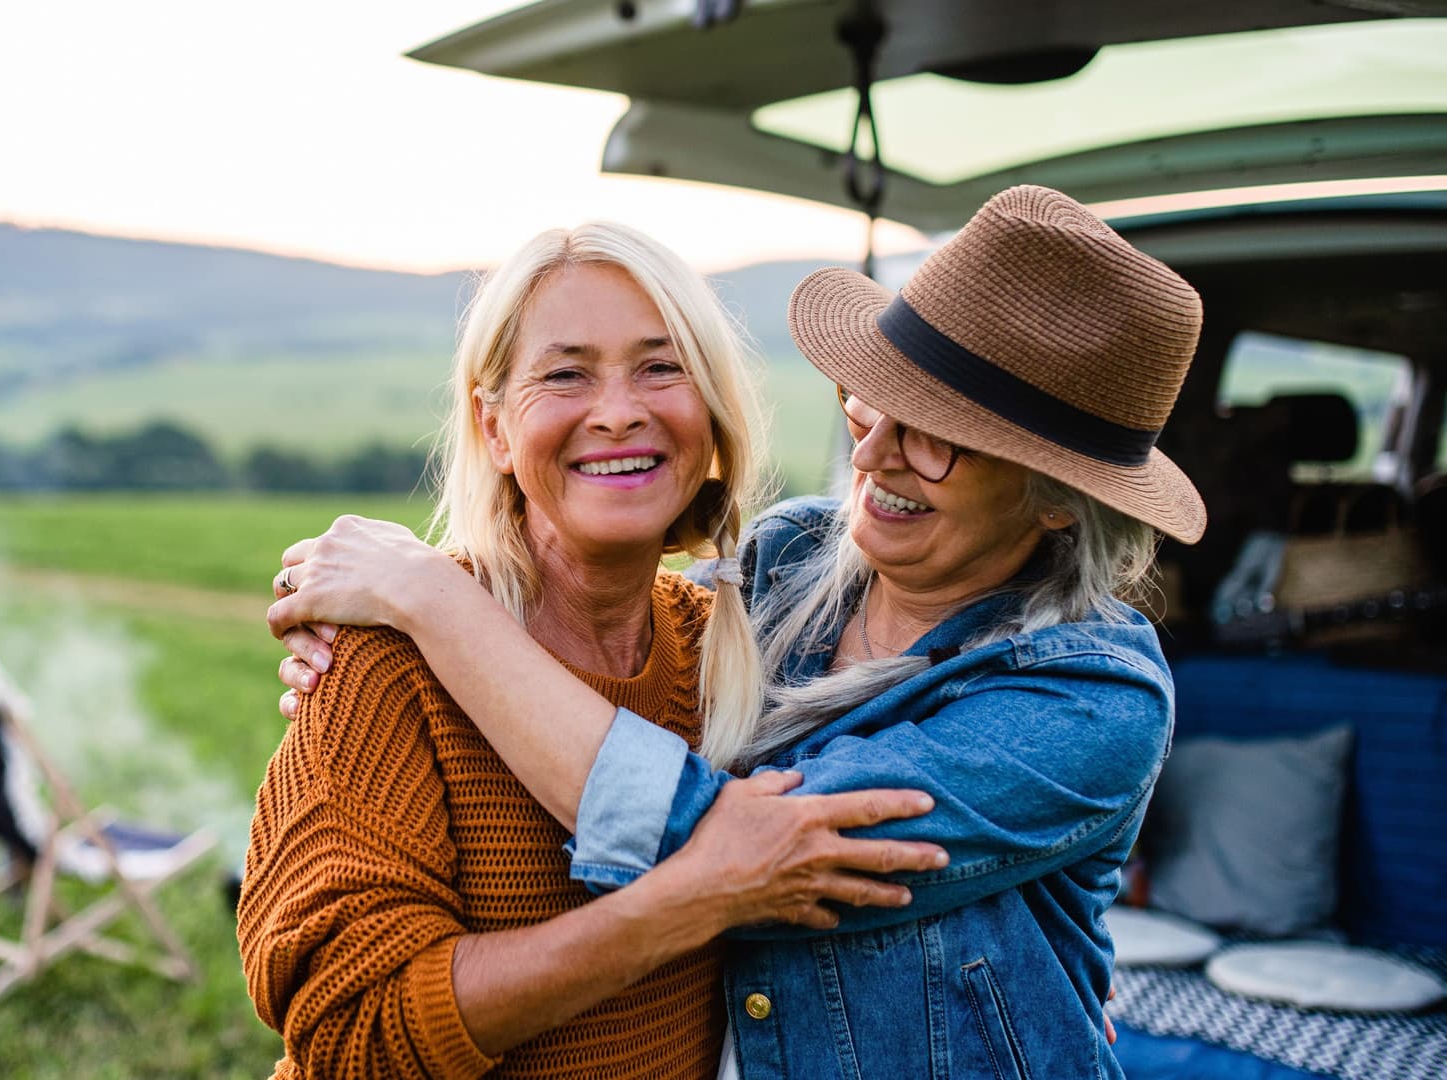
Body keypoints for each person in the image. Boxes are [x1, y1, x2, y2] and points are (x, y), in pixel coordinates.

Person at [268, 185, 1204, 1079]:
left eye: (937, 434)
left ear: (1058, 499)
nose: (872, 454)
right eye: (874, 400)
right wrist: (403, 598)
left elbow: (732, 853)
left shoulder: (1088, 699)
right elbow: (355, 1032)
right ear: (493, 424)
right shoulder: (782, 565)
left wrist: (436, 602)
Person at [235, 222, 947, 1080]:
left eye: (661, 366)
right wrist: (684, 904)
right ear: (492, 426)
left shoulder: (731, 650)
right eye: (566, 374)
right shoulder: (393, 654)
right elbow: (353, 1033)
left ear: (714, 411)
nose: (617, 413)